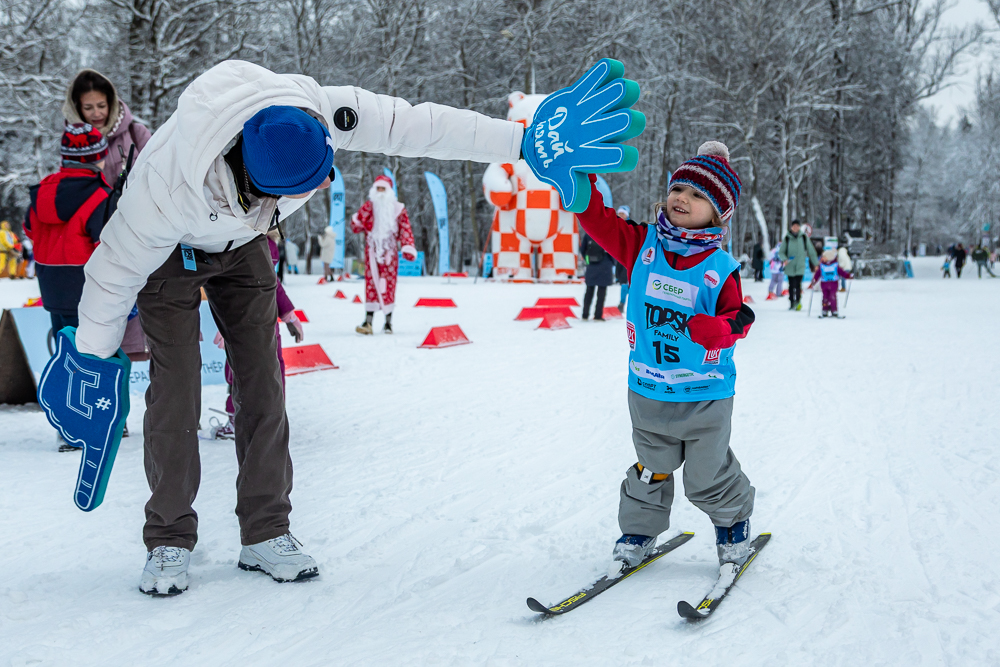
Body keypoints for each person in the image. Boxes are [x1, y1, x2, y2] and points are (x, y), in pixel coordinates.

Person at [72, 60, 527, 596]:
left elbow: (418, 124)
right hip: (171, 251)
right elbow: (110, 276)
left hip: (242, 246)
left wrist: (522, 143)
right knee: (177, 390)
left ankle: (266, 531)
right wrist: (92, 361)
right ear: (244, 175)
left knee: (264, 380)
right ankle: (169, 537)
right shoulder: (161, 188)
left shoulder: (320, 111)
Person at [574, 141, 756, 574]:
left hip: (705, 394)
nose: (681, 198)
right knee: (650, 467)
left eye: (697, 195)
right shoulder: (643, 244)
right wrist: (578, 191)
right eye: (679, 189)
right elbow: (599, 222)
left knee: (706, 475)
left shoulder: (720, 265)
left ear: (717, 214)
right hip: (650, 387)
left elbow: (740, 318)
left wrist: (720, 329)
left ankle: (733, 525)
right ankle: (639, 529)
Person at [22, 125, 114, 451]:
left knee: (64, 355)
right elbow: (104, 241)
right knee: (90, 356)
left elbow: (30, 229)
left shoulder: (43, 192)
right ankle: (83, 427)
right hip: (87, 286)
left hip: (52, 285)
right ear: (98, 157)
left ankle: (66, 424)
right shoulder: (99, 195)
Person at [206, 231, 304, 441]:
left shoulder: (253, 243)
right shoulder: (262, 243)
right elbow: (271, 283)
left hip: (247, 318)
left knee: (243, 369)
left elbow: (268, 283)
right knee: (264, 368)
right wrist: (288, 315)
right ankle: (269, 417)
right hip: (260, 317)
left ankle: (249, 419)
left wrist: (288, 315)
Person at [63, 70, 152, 188]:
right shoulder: (73, 146)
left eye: (101, 106)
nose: (96, 113)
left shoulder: (137, 134)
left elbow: (156, 174)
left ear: (111, 104)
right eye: (88, 108)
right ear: (78, 110)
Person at [351, 175, 416, 334]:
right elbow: (356, 225)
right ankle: (368, 322)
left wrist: (407, 246)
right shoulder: (369, 207)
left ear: (389, 191)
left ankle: (388, 323)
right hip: (372, 251)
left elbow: (405, 228)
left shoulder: (398, 208)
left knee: (389, 286)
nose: (380, 192)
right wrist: (360, 218)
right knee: (371, 285)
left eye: (383, 189)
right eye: (378, 188)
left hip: (390, 253)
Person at [779, 220, 817, 311]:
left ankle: (798, 301)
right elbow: (781, 252)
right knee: (791, 285)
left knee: (798, 285)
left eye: (797, 226)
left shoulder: (803, 238)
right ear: (791, 227)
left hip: (800, 265)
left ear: (799, 227)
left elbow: (811, 251)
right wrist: (784, 259)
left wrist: (816, 263)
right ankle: (792, 302)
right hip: (790, 266)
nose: (795, 228)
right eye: (794, 226)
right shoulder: (787, 238)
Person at [808, 249, 853, 317]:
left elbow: (842, 272)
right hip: (824, 284)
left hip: (833, 284)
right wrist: (814, 280)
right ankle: (825, 310)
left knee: (832, 297)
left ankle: (834, 310)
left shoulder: (835, 266)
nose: (822, 258)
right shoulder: (822, 266)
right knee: (825, 297)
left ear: (829, 258)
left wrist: (848, 276)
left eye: (824, 257)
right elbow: (817, 274)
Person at [580, 232, 614, 320]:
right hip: (605, 266)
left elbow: (582, 249)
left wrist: (588, 261)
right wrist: (611, 262)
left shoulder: (589, 234)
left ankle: (585, 314)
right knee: (601, 292)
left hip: (591, 265)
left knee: (589, 291)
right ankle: (598, 315)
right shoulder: (607, 234)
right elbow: (613, 251)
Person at [615, 206, 631, 312]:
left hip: (629, 255)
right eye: (619, 214)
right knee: (624, 284)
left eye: (623, 214)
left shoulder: (630, 225)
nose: (621, 216)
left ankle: (631, 305)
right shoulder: (615, 224)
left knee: (630, 285)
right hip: (620, 255)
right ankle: (622, 303)